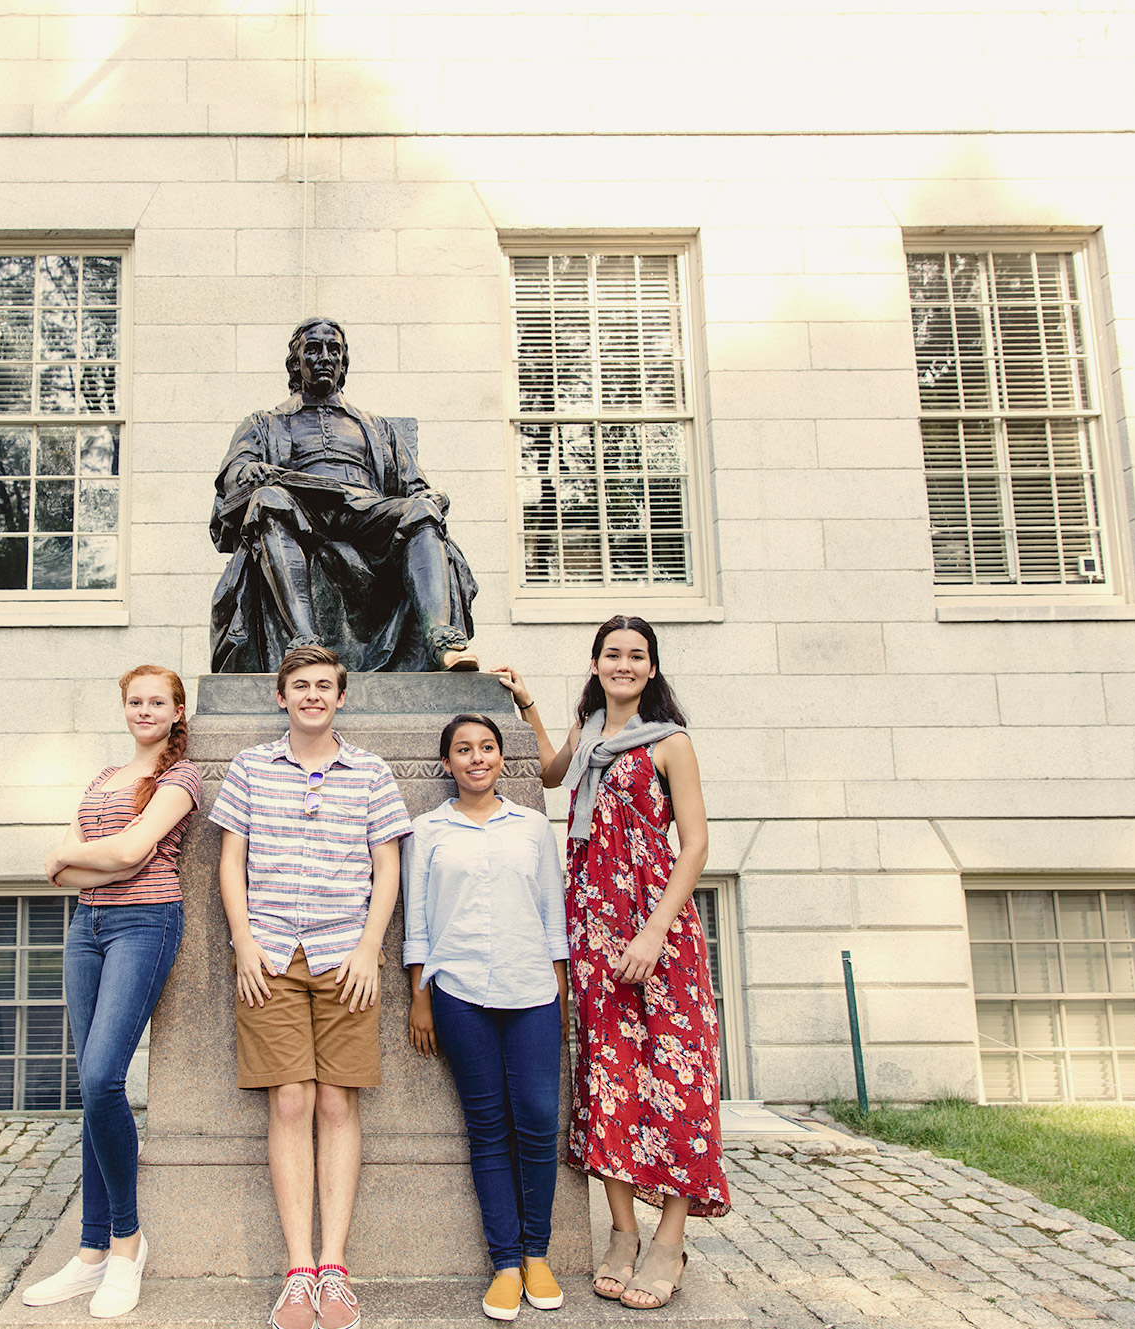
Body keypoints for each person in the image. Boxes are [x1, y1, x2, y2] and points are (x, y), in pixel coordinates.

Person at [494, 617, 730, 1311]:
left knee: (676, 1074)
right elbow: (547, 773)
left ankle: (670, 1237)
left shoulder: (669, 742)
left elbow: (695, 845)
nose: (623, 664)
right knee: (610, 1076)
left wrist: (655, 931)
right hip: (593, 925)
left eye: (636, 655)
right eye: (611, 654)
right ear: (595, 663)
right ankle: (622, 1232)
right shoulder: (591, 730)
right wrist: (531, 706)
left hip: (656, 929)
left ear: (652, 668)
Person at [210, 644, 411, 1329]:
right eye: (301, 685)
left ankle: (335, 1267)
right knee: (290, 1100)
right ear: (282, 696)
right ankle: (298, 1269)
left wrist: (368, 947)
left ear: (342, 697)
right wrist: (242, 941)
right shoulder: (249, 768)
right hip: (269, 954)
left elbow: (388, 868)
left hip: (343, 956)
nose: (313, 695)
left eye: (325, 685)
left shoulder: (372, 772)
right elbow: (230, 861)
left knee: (335, 1101)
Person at [21, 665, 203, 1319]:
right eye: (136, 700)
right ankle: (91, 1251)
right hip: (87, 927)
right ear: (124, 708)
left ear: (179, 711)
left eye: (158, 701)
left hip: (145, 922)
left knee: (102, 1079)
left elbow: (129, 852)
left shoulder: (181, 778)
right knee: (90, 1089)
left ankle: (128, 1244)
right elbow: (87, 856)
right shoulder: (104, 778)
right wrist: (76, 859)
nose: (145, 709)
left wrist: (66, 858)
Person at [402, 713, 570, 1321]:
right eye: (463, 750)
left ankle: (538, 1254)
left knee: (537, 1116)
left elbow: (554, 914)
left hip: (532, 991)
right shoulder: (426, 830)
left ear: (502, 758)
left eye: (488, 748)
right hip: (459, 991)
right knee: (487, 1125)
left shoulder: (532, 827)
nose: (477, 758)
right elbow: (417, 922)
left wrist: (560, 992)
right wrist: (420, 995)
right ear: (446, 763)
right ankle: (505, 1262)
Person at [208, 317, 479, 674]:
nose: (324, 357)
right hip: (303, 509)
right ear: (295, 363)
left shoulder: (376, 425)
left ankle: (441, 639)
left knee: (422, 512)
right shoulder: (265, 422)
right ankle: (303, 640)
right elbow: (234, 471)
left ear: (343, 363)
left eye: (333, 350)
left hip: (366, 512)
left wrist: (433, 498)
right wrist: (246, 472)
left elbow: (413, 486)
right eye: (313, 349)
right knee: (267, 500)